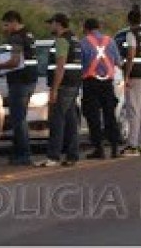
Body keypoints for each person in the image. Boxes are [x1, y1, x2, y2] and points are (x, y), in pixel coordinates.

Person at [0, 10, 38, 166]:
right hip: (30, 81)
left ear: (13, 22)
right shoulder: (29, 35)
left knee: (19, 120)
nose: (4, 28)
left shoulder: (16, 37)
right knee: (21, 117)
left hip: (20, 82)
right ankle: (18, 152)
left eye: (6, 25)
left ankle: (24, 154)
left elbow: (14, 61)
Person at [38, 13, 83, 167]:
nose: (50, 26)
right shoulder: (74, 40)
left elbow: (60, 67)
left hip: (63, 85)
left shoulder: (62, 41)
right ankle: (72, 155)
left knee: (57, 120)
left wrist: (54, 89)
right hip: (74, 83)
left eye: (51, 23)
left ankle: (53, 156)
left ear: (58, 24)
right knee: (70, 121)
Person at [79, 17, 122, 159]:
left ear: (86, 28)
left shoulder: (84, 42)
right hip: (107, 83)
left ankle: (99, 148)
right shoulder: (110, 41)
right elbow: (117, 61)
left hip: (91, 83)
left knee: (93, 116)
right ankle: (115, 147)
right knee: (110, 115)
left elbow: (81, 63)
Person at [120, 5, 141, 157]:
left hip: (135, 76)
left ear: (129, 20)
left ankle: (132, 145)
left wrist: (126, 75)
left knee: (133, 111)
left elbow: (131, 55)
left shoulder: (131, 35)